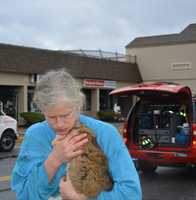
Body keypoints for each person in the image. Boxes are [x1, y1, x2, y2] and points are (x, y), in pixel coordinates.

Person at [11, 68, 142, 200]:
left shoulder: (105, 133)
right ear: (42, 110)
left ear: (78, 105)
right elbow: (24, 195)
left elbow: (132, 194)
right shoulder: (36, 135)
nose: (59, 124)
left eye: (65, 115)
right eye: (51, 117)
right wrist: (55, 159)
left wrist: (82, 199)